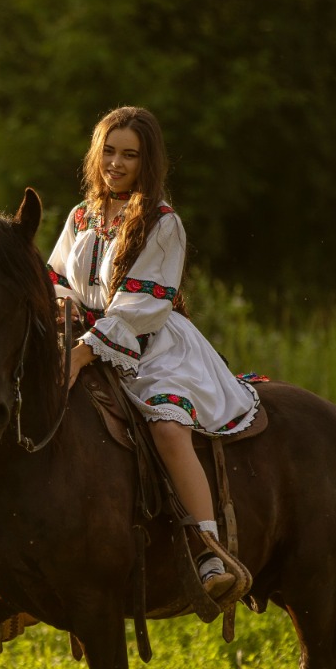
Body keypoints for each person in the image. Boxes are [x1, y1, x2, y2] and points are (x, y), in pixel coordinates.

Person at [47, 106, 259, 600]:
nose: (116, 164)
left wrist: (84, 352)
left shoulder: (162, 222)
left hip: (151, 344)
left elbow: (145, 302)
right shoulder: (80, 216)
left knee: (167, 426)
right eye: (109, 151)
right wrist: (65, 326)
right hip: (81, 335)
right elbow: (56, 282)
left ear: (148, 162)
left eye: (130, 155)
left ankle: (208, 549)